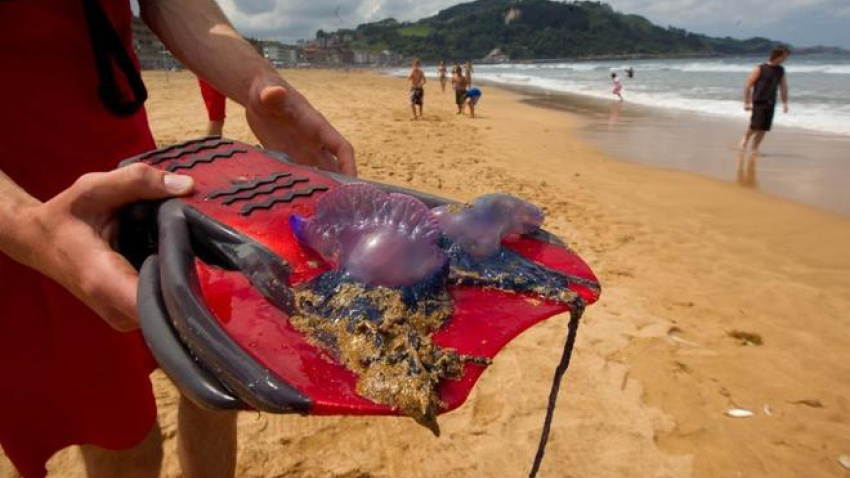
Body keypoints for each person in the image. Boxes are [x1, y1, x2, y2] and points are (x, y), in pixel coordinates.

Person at [0, 2, 355, 478]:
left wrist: (258, 84)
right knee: (124, 434)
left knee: (216, 377)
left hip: (140, 167)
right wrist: (25, 223)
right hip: (35, 204)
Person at [740, 46, 790, 153]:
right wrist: (746, 102)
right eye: (784, 56)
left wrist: (785, 102)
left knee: (764, 128)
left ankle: (755, 148)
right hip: (759, 101)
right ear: (777, 55)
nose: (785, 59)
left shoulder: (781, 70)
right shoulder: (759, 68)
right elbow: (748, 86)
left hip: (771, 102)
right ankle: (745, 138)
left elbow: (783, 87)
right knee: (755, 126)